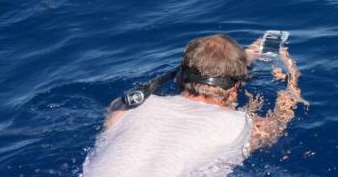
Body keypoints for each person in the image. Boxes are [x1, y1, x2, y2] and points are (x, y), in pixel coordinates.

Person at [82, 33, 305, 177]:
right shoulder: (243, 125)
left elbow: (117, 105)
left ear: (179, 77)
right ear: (235, 88)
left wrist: (238, 61)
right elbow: (280, 122)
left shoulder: (128, 107)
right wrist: (292, 79)